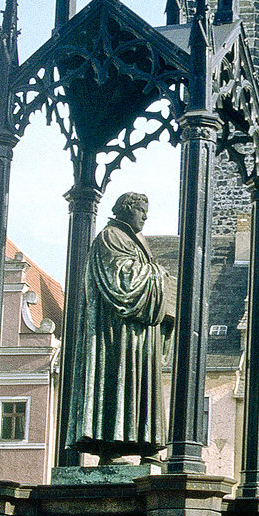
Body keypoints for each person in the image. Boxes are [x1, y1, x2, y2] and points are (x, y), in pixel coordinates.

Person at [68, 192, 173, 464]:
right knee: (117, 384)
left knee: (138, 384)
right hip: (115, 334)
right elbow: (123, 283)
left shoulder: (133, 240)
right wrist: (158, 276)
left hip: (137, 334)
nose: (146, 216)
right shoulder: (111, 237)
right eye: (141, 209)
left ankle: (145, 444)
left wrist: (156, 279)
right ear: (126, 210)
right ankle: (111, 447)